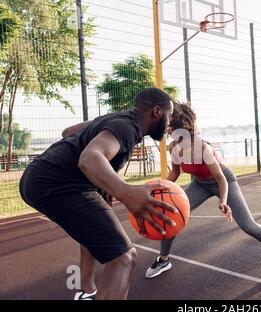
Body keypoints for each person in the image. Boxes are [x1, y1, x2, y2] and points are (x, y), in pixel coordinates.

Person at [19, 88, 178, 300]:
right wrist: (126, 192)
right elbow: (89, 159)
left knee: (95, 229)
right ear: (157, 111)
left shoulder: (115, 119)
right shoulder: (128, 127)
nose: (170, 123)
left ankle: (86, 290)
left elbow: (68, 132)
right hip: (57, 183)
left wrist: (102, 179)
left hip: (41, 177)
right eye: (170, 115)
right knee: (124, 257)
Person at [145, 102, 261, 279]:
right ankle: (163, 259)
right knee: (170, 218)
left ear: (182, 123)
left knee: (249, 226)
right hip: (200, 184)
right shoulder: (173, 147)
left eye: (171, 123)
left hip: (224, 180)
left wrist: (223, 201)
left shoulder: (202, 147)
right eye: (167, 124)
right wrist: (159, 190)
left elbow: (220, 179)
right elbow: (175, 172)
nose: (168, 128)